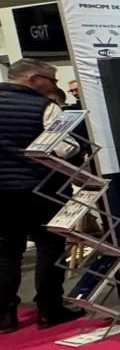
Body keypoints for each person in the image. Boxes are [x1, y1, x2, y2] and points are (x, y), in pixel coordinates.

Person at [0, 58, 80, 333]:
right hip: (40, 189)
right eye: (51, 80)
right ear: (33, 78)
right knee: (50, 246)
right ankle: (49, 309)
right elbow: (64, 149)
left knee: (7, 251)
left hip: (2, 193)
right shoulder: (45, 107)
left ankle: (5, 315)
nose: (54, 86)